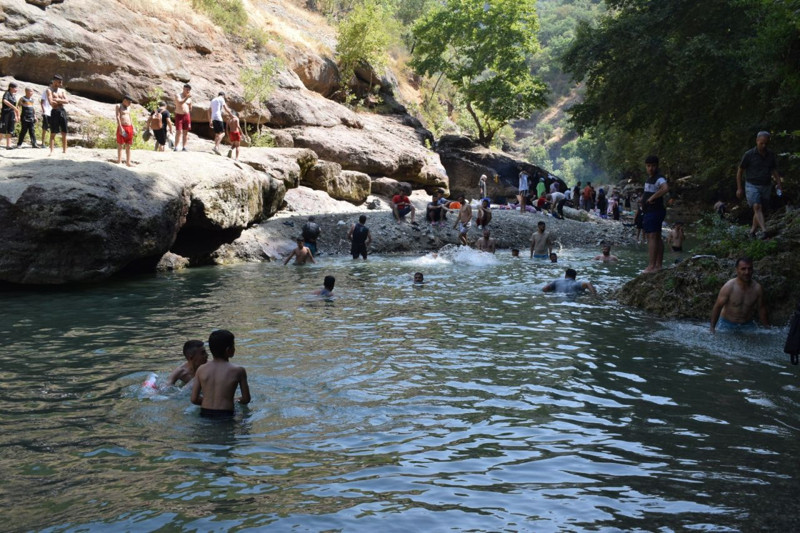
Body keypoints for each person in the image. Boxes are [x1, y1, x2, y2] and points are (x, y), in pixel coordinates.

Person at [191, 329, 250, 419]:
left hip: (204, 413)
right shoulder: (239, 370)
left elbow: (194, 399)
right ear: (228, 350)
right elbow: (246, 399)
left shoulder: (201, 369)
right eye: (233, 345)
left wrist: (210, 402)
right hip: (226, 414)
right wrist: (234, 400)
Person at [736, 131, 783, 239]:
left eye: (766, 143)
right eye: (761, 143)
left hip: (766, 185)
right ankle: (764, 230)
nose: (764, 145)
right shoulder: (749, 154)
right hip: (751, 185)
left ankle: (752, 231)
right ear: (757, 141)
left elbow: (774, 170)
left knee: (759, 210)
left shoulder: (770, 155)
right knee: (757, 206)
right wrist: (739, 188)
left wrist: (779, 184)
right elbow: (740, 171)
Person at [710, 257, 768, 334]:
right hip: (727, 324)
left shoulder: (757, 288)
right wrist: (712, 328)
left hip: (747, 325)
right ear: (737, 270)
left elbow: (761, 309)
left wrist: (767, 328)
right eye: (743, 269)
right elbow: (718, 306)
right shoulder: (729, 286)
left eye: (749, 269)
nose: (747, 272)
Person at [642, 155, 669, 273]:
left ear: (657, 166)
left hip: (654, 211)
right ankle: (658, 265)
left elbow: (665, 188)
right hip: (650, 211)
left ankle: (652, 266)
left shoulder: (659, 178)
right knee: (656, 236)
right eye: (648, 166)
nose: (651, 168)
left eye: (653, 166)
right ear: (646, 167)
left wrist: (652, 197)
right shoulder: (649, 179)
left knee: (652, 236)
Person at [46, 74, 70, 155]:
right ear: (55, 81)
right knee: (53, 132)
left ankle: (64, 150)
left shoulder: (62, 91)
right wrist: (60, 100)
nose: (61, 83)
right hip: (55, 111)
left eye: (61, 81)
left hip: (62, 111)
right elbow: (51, 102)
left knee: (64, 132)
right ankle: (51, 151)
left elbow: (67, 101)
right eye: (59, 81)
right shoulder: (49, 90)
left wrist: (58, 99)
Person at [115, 95, 135, 167]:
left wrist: (133, 127)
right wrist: (120, 127)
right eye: (129, 102)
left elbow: (130, 117)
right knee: (120, 144)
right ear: (125, 100)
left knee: (128, 145)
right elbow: (117, 116)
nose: (130, 104)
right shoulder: (118, 106)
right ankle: (119, 161)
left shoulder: (129, 107)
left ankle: (128, 162)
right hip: (122, 127)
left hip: (129, 127)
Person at [173, 83, 192, 151]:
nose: (188, 91)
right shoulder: (178, 95)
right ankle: (176, 146)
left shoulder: (189, 98)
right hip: (179, 115)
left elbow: (190, 107)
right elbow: (180, 102)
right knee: (178, 131)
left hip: (186, 115)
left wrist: (189, 107)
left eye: (189, 90)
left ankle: (184, 147)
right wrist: (187, 97)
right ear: (183, 89)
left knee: (185, 132)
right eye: (187, 89)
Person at [1, 82, 20, 149]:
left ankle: (8, 145)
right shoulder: (7, 93)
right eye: (15, 88)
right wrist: (13, 107)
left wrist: (16, 116)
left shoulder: (13, 96)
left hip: (11, 114)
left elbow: (15, 107)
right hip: (5, 114)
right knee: (2, 129)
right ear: (10, 88)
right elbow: (5, 101)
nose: (16, 89)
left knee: (10, 129)